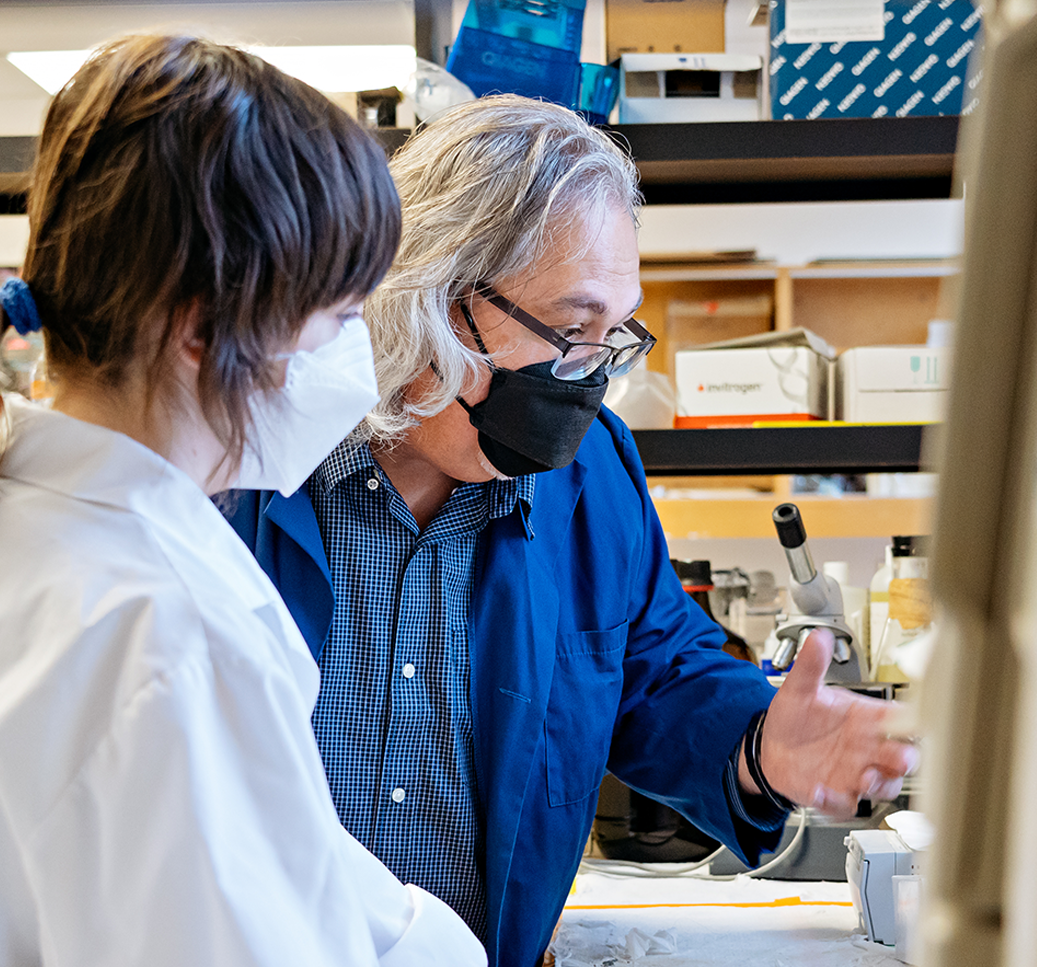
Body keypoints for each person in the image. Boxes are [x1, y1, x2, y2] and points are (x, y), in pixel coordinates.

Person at [226, 94, 918, 967]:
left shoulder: (591, 474)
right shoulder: (247, 458)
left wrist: (757, 743)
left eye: (610, 335)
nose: (588, 378)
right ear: (436, 296)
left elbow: (655, 670)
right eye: (570, 328)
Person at [0, 34, 485, 967]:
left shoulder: (41, 523)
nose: (357, 360)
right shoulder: (166, 629)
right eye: (339, 321)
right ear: (202, 324)